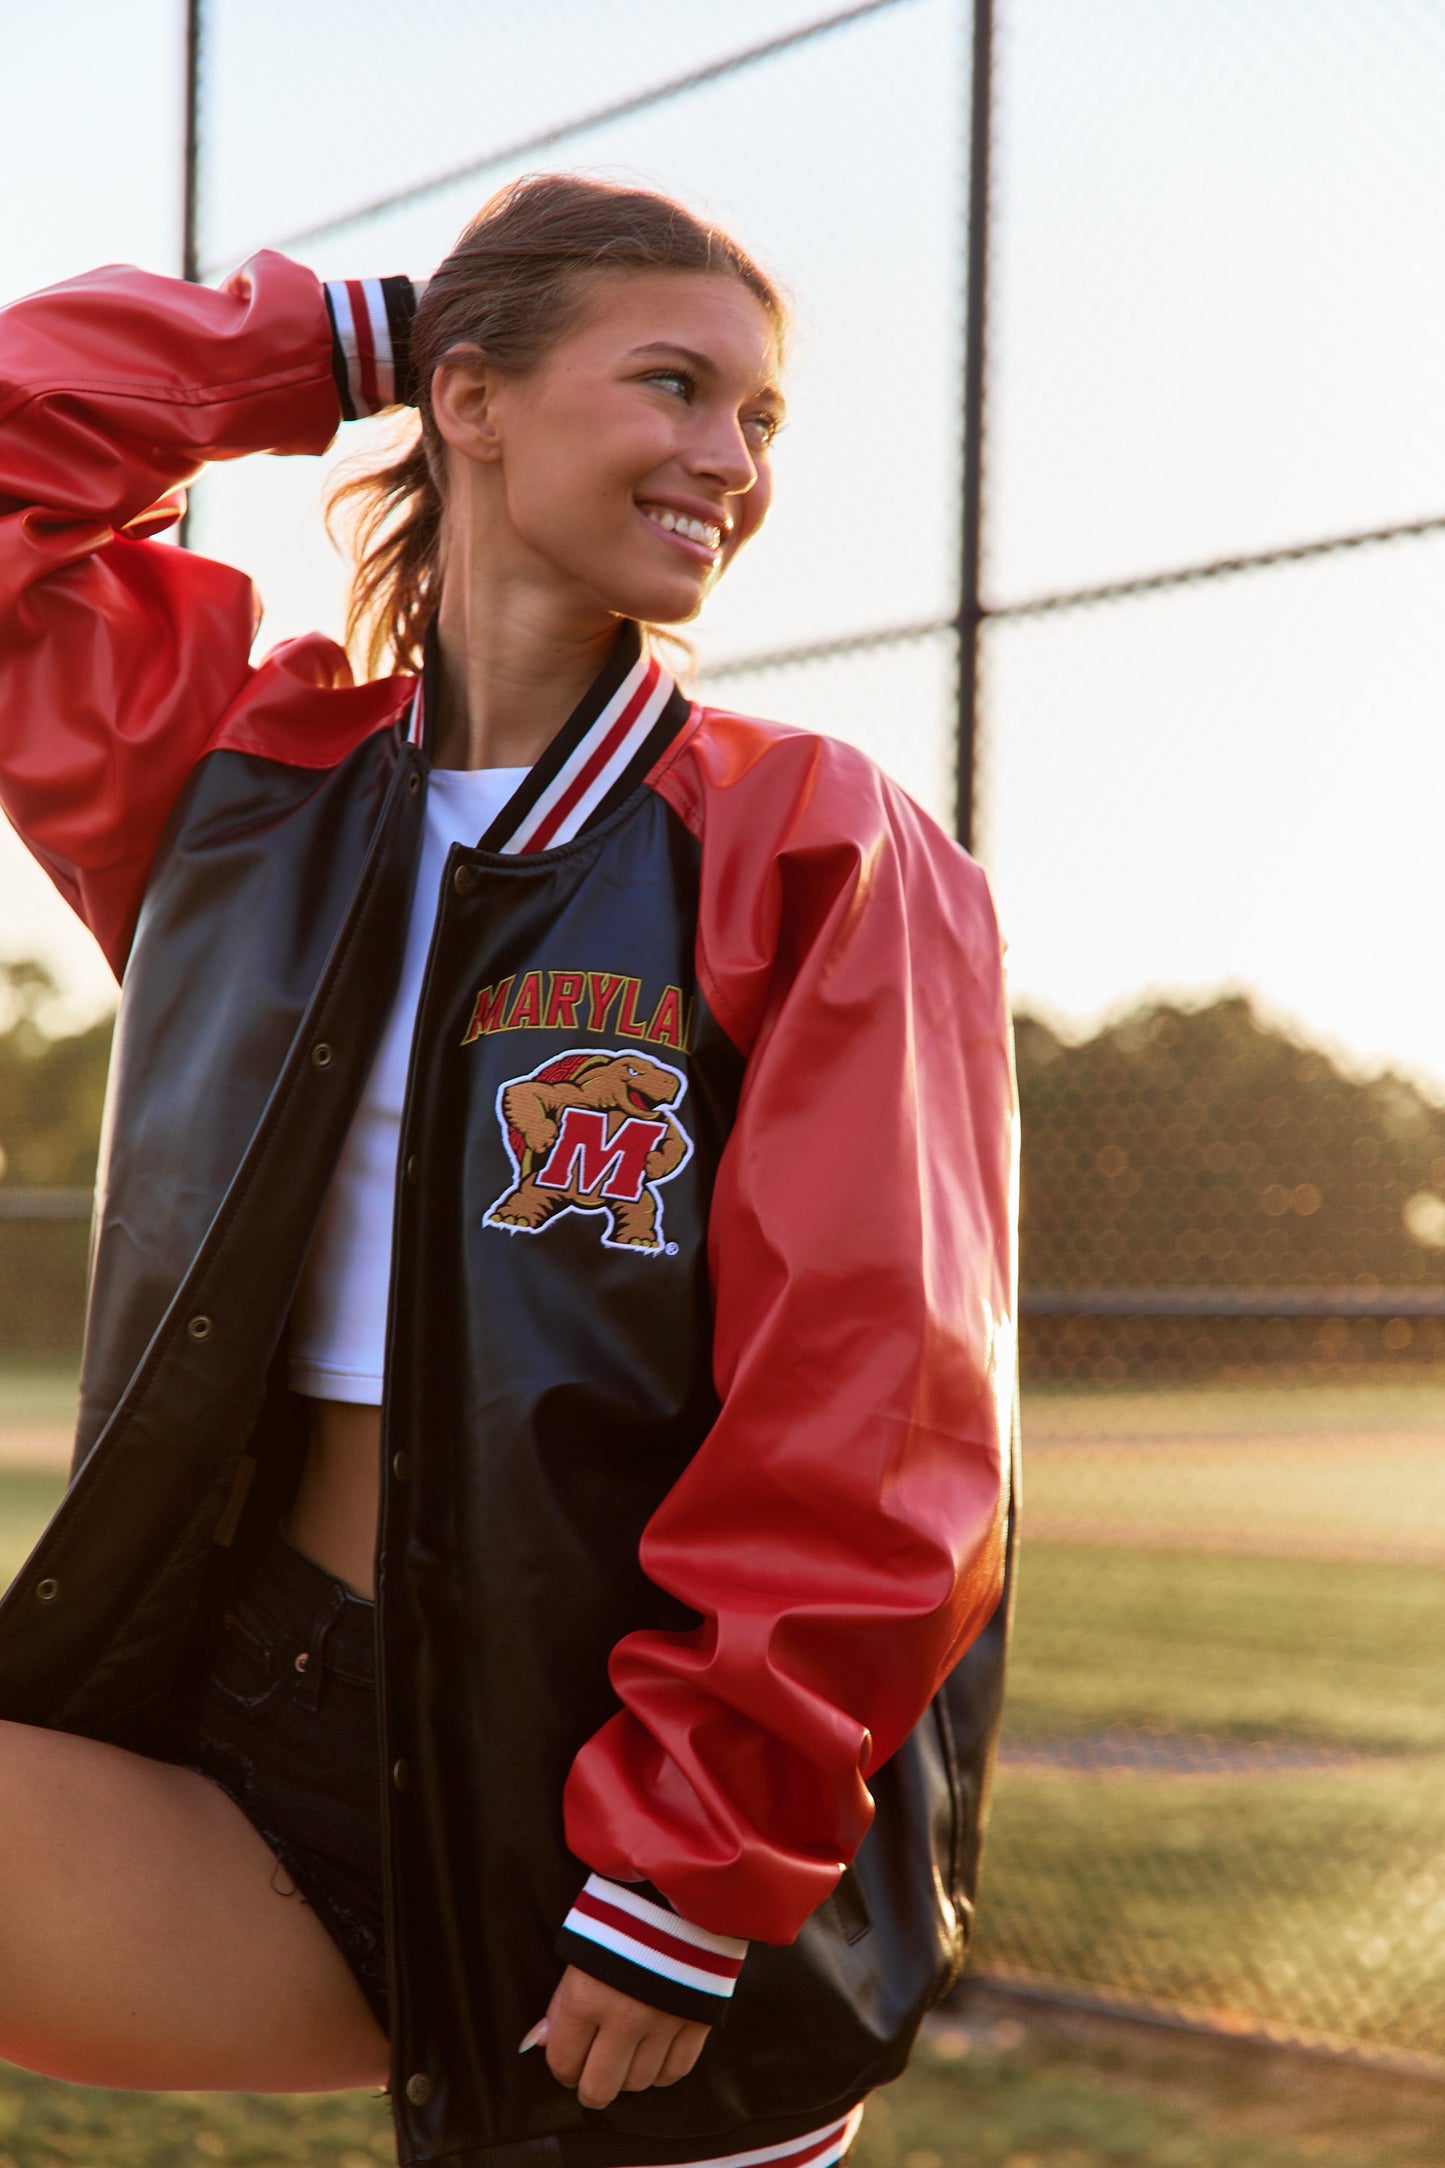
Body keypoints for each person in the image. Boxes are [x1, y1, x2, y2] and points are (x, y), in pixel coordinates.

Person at [0, 174, 1017, 2167]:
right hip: (268, 1732)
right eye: (673, 382)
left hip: (624, 1810)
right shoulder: (242, 792)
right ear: (471, 400)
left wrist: (692, 1866)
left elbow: (879, 1410)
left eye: (762, 421)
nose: (730, 460)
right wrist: (340, 341)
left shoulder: (812, 844)